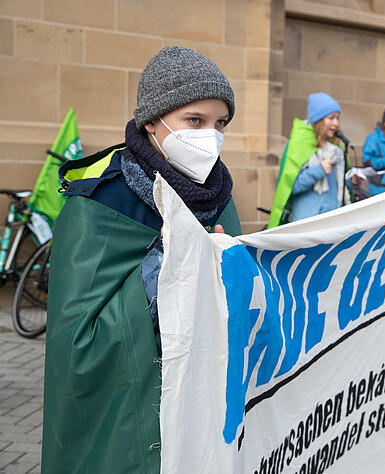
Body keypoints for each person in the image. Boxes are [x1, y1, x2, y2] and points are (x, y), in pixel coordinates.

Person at [42, 46, 241, 473]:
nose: (211, 136)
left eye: (220, 124)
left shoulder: (220, 197)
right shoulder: (97, 202)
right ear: (152, 121)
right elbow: (77, 344)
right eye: (195, 121)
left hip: (202, 411)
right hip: (129, 427)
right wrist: (168, 266)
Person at [269, 92, 348, 226]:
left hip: (332, 222)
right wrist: (319, 170)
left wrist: (352, 181)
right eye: (331, 118)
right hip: (307, 223)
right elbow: (292, 187)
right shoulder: (300, 144)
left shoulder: (336, 148)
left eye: (337, 118)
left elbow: (339, 186)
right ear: (319, 120)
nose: (336, 123)